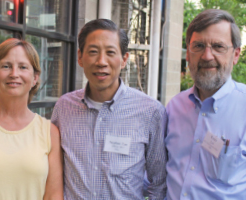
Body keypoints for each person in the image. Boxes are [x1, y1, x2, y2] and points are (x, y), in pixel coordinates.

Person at [51, 19, 167, 199]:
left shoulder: (150, 112)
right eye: (93, 52)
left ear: (124, 59)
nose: (101, 62)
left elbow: (159, 183)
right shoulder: (64, 107)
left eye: (110, 52)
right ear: (80, 57)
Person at [165, 9, 246, 200]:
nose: (207, 56)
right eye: (198, 46)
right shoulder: (174, 108)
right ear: (188, 54)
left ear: (236, 55)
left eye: (218, 47)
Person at [0, 38, 63, 200]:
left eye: (23, 67)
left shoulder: (49, 133)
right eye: (6, 66)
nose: (14, 74)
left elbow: (53, 196)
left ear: (35, 78)